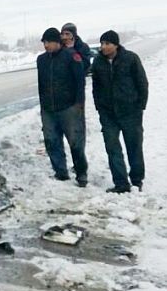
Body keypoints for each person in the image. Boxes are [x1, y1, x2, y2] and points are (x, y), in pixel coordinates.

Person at [91, 30, 148, 193]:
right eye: (102, 44)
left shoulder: (130, 58)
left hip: (130, 112)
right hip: (108, 114)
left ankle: (137, 180)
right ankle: (121, 183)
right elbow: (96, 87)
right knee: (112, 147)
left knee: (134, 146)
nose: (103, 47)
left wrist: (140, 107)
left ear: (116, 44)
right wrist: (99, 107)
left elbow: (142, 83)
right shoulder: (98, 62)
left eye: (107, 43)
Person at [36, 27, 88, 186]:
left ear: (57, 42)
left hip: (69, 108)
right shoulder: (41, 60)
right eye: (44, 42)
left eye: (49, 42)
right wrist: (43, 106)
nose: (46, 45)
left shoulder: (71, 56)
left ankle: (81, 174)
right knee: (51, 141)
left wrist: (79, 104)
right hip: (48, 108)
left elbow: (80, 82)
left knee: (75, 142)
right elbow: (41, 84)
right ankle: (60, 172)